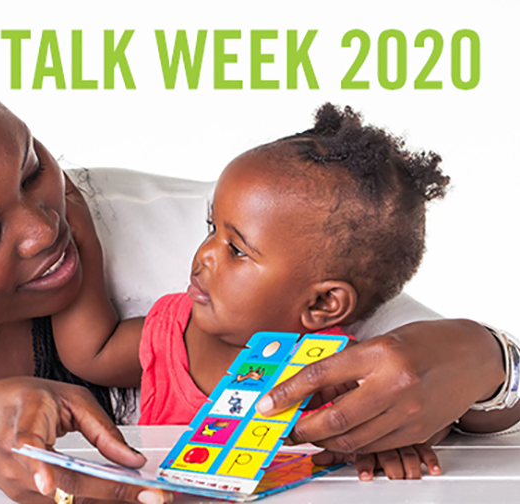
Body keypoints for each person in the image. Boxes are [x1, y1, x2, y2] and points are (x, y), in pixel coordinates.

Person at [0, 22, 516, 501]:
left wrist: (480, 359)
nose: (43, 228)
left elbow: (421, 360)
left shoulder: (219, 231)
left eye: (31, 166)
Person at [53, 103, 455, 478]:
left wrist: (397, 444)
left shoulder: (338, 373)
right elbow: (92, 353)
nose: (205, 255)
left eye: (236, 250)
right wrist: (79, 234)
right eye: (212, 229)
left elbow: (417, 413)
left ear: (323, 303)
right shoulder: (175, 329)